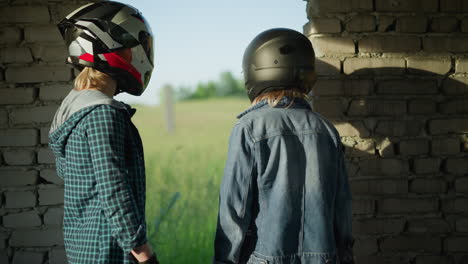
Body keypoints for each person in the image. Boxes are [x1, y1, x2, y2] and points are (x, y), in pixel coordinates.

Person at [213, 28, 355, 264]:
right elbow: (342, 211)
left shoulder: (248, 128)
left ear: (255, 68)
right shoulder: (327, 130)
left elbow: (233, 213)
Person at [49, 2, 159, 263]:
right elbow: (114, 188)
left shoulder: (73, 110)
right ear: (114, 47)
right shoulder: (102, 114)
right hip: (108, 250)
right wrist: (142, 251)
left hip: (84, 246)